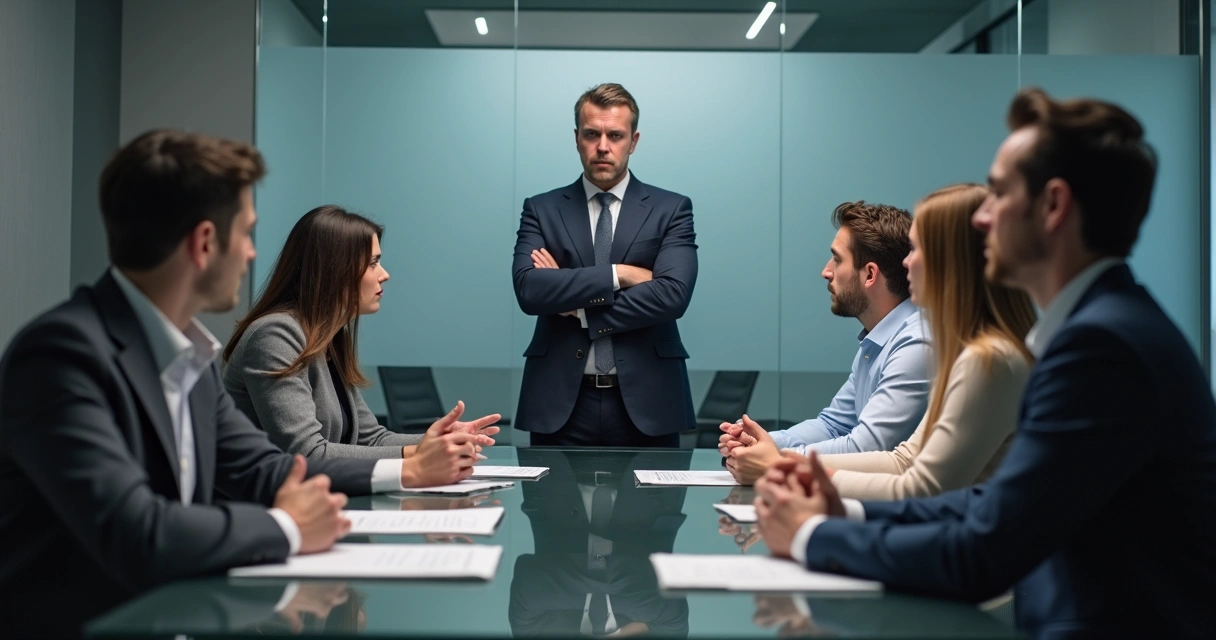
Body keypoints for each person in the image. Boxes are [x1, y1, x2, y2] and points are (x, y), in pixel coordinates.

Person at [754, 88, 1216, 638]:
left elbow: (984, 550)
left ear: (1053, 206)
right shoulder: (1098, 329)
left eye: (997, 193)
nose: (982, 218)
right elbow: (987, 503)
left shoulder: (1100, 347)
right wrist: (844, 512)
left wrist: (811, 535)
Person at [0, 130, 481, 637]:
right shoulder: (62, 353)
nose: (253, 254)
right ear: (205, 243)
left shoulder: (188, 357)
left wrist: (400, 471)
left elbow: (269, 468)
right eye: (247, 233)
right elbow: (138, 531)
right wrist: (287, 526)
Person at [757, 184, 1037, 500]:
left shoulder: (986, 359)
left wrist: (782, 465)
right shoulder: (974, 351)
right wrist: (781, 458)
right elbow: (905, 461)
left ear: (950, 263)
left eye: (917, 250)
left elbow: (919, 486)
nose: (906, 263)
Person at [223, 205, 498, 476]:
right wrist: (419, 455)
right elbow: (307, 454)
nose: (384, 274)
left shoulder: (327, 338)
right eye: (373, 263)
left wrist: (436, 441)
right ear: (334, 271)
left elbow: (371, 439)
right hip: (261, 512)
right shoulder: (275, 335)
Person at [512, 83, 698, 447]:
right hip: (560, 401)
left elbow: (672, 295)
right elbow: (529, 290)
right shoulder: (542, 209)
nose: (602, 146)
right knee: (548, 505)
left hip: (650, 400)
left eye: (615, 135)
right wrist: (620, 274)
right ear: (577, 138)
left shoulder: (671, 209)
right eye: (591, 134)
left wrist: (578, 306)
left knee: (654, 506)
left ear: (634, 140)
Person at [720, 202, 932, 484]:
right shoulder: (877, 340)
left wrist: (774, 459)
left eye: (837, 259)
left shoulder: (916, 343)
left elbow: (866, 446)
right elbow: (833, 425)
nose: (826, 271)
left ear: (870, 274)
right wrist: (761, 441)